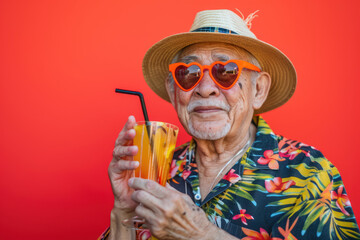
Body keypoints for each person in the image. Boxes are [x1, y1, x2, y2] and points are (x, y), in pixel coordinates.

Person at [99, 9, 360, 239]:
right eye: (188, 73)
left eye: (225, 71)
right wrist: (124, 208)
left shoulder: (307, 171)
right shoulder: (155, 172)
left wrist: (200, 234)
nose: (205, 88)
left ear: (258, 89)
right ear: (173, 90)